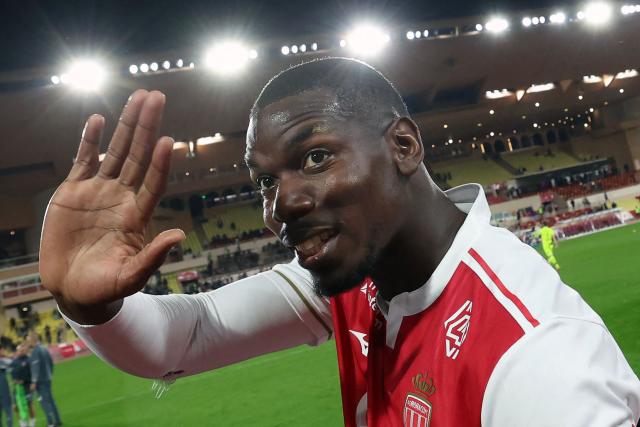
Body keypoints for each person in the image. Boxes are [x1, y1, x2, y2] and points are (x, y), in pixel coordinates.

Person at [39, 58, 639, 426]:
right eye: (267, 181)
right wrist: (90, 305)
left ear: (404, 147)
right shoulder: (361, 276)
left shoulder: (536, 358)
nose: (284, 203)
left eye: (316, 157)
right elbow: (187, 335)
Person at [27, 333, 61, 427]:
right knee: (51, 399)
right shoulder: (44, 348)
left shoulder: (35, 351)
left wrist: (34, 381)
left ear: (33, 340)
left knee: (44, 401)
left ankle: (51, 422)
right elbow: (51, 362)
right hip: (47, 378)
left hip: (41, 381)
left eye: (29, 340)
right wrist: (50, 374)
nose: (28, 342)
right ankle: (57, 420)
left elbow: (35, 367)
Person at [9, 344, 35, 427]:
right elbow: (11, 372)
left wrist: (24, 380)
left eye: (23, 350)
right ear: (17, 351)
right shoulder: (14, 362)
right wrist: (13, 380)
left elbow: (32, 374)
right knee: (15, 407)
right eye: (20, 350)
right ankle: (23, 424)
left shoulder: (28, 360)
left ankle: (32, 424)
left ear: (25, 351)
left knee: (29, 405)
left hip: (27, 386)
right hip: (16, 388)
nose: (21, 352)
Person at [0, 350, 13, 427]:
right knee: (8, 411)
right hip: (4, 391)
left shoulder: (3, 361)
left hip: (4, 391)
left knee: (8, 411)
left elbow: (13, 365)